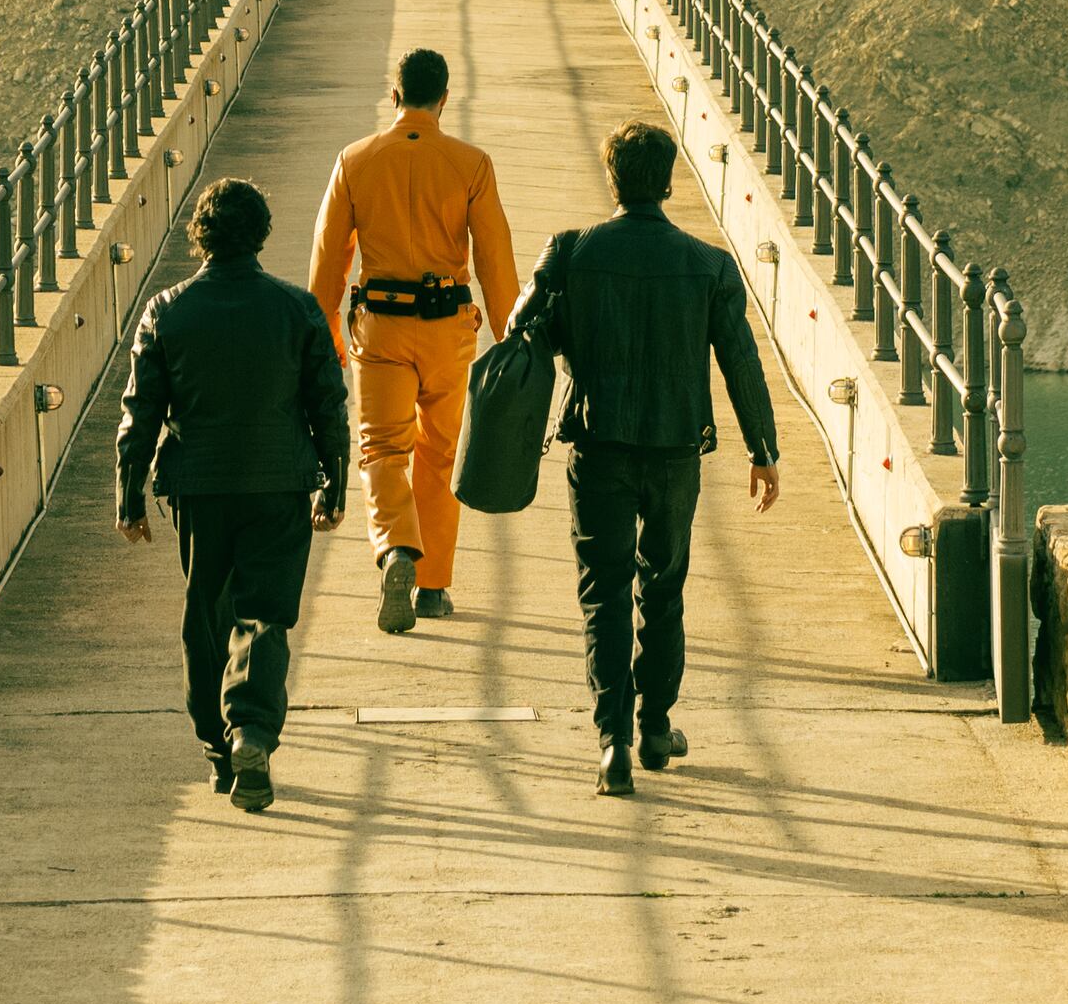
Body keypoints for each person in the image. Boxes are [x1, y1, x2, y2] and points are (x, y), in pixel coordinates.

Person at [521, 120, 777, 798]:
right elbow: (740, 361)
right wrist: (763, 449)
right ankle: (657, 725)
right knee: (661, 587)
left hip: (598, 447)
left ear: (613, 179)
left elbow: (527, 335)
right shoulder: (709, 263)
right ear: (668, 180)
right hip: (672, 453)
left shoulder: (572, 253)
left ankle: (613, 745)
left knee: (602, 594)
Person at [116, 177, 353, 814]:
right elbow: (328, 405)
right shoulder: (299, 310)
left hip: (201, 486)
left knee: (208, 617)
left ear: (201, 236)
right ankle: (252, 729)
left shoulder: (168, 309)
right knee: (265, 615)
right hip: (280, 484)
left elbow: (140, 410)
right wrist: (335, 479)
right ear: (261, 234)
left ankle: (220, 753)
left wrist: (129, 495)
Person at [307, 46, 518, 637]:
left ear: (392, 94)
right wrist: (510, 338)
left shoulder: (354, 161)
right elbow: (494, 260)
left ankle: (398, 548)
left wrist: (323, 335)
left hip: (380, 327)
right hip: (450, 329)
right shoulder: (471, 164)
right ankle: (432, 587)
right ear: (445, 99)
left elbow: (330, 259)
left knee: (381, 449)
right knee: (440, 453)